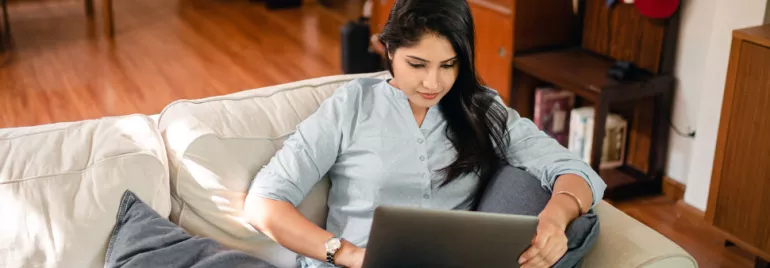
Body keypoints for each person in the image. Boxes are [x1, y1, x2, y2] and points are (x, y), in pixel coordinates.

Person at [244, 0, 607, 267]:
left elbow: (572, 169)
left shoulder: (479, 108)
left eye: (449, 65)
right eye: (417, 64)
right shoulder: (352, 106)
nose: (433, 83)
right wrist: (350, 254)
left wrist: (554, 218)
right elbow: (265, 202)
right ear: (388, 50)